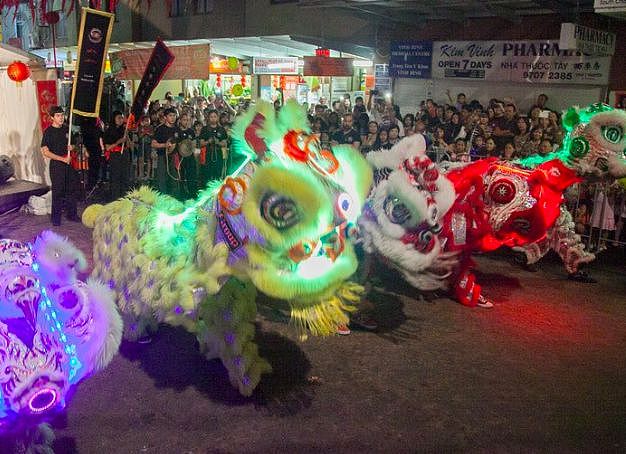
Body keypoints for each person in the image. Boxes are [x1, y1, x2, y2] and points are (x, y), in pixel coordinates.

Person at [40, 106, 79, 226]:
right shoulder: (48, 132)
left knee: (71, 189)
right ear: (52, 118)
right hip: (57, 165)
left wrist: (73, 147)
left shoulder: (67, 129)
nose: (61, 118)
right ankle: (56, 219)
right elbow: (45, 151)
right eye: (58, 115)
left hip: (69, 164)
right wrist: (62, 159)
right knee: (57, 192)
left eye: (62, 115)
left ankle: (72, 214)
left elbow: (75, 146)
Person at [151, 107, 180, 195]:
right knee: (162, 180)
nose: (172, 118)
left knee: (174, 179)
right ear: (165, 117)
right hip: (162, 157)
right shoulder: (160, 129)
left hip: (174, 157)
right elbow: (153, 144)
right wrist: (164, 145)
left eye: (174, 115)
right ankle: (162, 202)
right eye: (170, 115)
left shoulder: (177, 129)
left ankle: (174, 201)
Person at [103, 111, 130, 201]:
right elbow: (107, 147)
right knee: (115, 177)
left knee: (125, 176)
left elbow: (129, 145)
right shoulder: (109, 131)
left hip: (124, 155)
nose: (121, 120)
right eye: (118, 118)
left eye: (122, 118)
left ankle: (124, 197)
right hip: (115, 156)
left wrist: (127, 136)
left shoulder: (123, 130)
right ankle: (115, 198)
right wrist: (118, 142)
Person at [198, 109, 228, 187]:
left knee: (218, 175)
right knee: (207, 176)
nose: (213, 118)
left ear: (218, 117)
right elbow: (201, 143)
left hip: (218, 154)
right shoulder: (204, 129)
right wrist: (208, 141)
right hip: (208, 154)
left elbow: (224, 143)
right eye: (211, 117)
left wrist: (218, 142)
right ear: (208, 118)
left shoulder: (221, 129)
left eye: (215, 116)